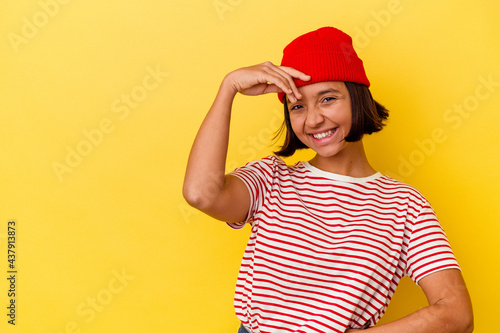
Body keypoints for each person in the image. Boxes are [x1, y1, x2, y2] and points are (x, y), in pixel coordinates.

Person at [183, 27, 473, 332]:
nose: (312, 119)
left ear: (357, 98)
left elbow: (457, 315)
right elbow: (201, 194)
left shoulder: (405, 206)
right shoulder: (271, 178)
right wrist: (228, 88)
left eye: (328, 99)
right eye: (297, 106)